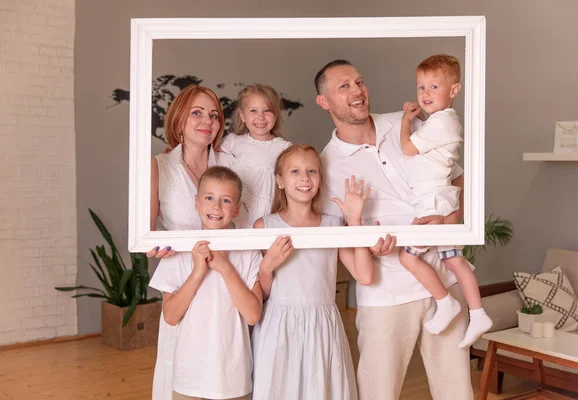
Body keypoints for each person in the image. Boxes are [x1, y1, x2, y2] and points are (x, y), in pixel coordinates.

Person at [316, 59, 474, 400]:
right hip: (386, 294)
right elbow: (336, 234)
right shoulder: (325, 165)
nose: (357, 90)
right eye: (344, 86)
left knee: (457, 392)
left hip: (443, 281)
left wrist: (451, 218)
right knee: (379, 393)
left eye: (359, 81)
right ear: (324, 101)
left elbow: (456, 178)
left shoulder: (407, 122)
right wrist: (366, 248)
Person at [251, 144, 373, 400]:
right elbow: (261, 294)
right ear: (280, 181)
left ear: (320, 178)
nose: (304, 178)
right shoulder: (265, 226)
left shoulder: (332, 224)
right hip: (279, 326)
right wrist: (267, 265)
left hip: (322, 325)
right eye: (294, 171)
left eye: (311, 171)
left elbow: (364, 275)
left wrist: (355, 222)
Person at [147, 85, 238, 400]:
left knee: (226, 364)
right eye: (197, 112)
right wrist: (153, 244)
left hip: (225, 276)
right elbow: (146, 231)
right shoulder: (158, 166)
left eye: (214, 115)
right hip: (182, 276)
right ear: (179, 120)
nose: (207, 121)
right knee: (180, 366)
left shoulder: (231, 165)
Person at [398, 54, 492, 348]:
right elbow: (431, 139)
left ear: (454, 90)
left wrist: (405, 122)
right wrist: (421, 118)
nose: (425, 94)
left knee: (407, 256)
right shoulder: (443, 121)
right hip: (440, 200)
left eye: (433, 87)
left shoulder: (440, 125)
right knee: (453, 259)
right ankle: (477, 313)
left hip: (433, 204)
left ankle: (445, 301)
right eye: (421, 87)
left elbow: (408, 148)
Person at [149, 166, 263, 400]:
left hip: (234, 379)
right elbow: (170, 316)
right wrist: (198, 272)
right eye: (209, 198)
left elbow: (253, 315)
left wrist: (224, 266)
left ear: (238, 208)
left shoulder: (247, 250)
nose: (216, 207)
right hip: (189, 379)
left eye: (226, 200)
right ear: (196, 203)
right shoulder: (178, 249)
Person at [219, 84, 292, 228]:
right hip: (240, 214)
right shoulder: (234, 142)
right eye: (253, 110)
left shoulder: (284, 148)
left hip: (271, 215)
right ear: (242, 115)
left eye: (267, 111)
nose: (261, 117)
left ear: (276, 115)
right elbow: (211, 161)